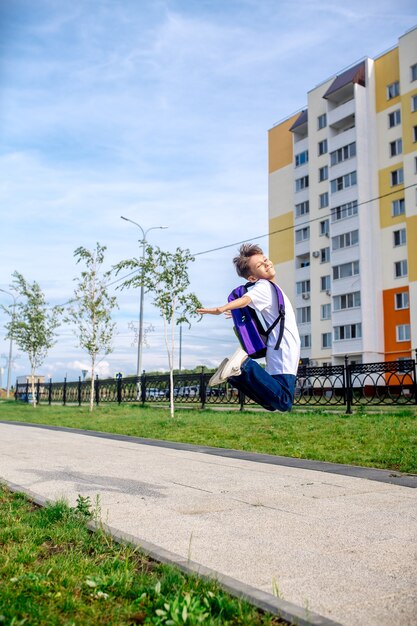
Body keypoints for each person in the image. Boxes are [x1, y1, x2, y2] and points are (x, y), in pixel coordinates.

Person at [197, 243, 300, 412]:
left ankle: (235, 375)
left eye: (265, 260)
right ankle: (244, 365)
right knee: (284, 401)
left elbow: (250, 304)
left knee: (271, 403)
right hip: (284, 349)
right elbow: (246, 299)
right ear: (252, 278)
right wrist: (223, 308)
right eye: (260, 265)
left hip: (280, 348)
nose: (266, 264)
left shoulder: (270, 288)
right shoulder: (264, 286)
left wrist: (235, 310)